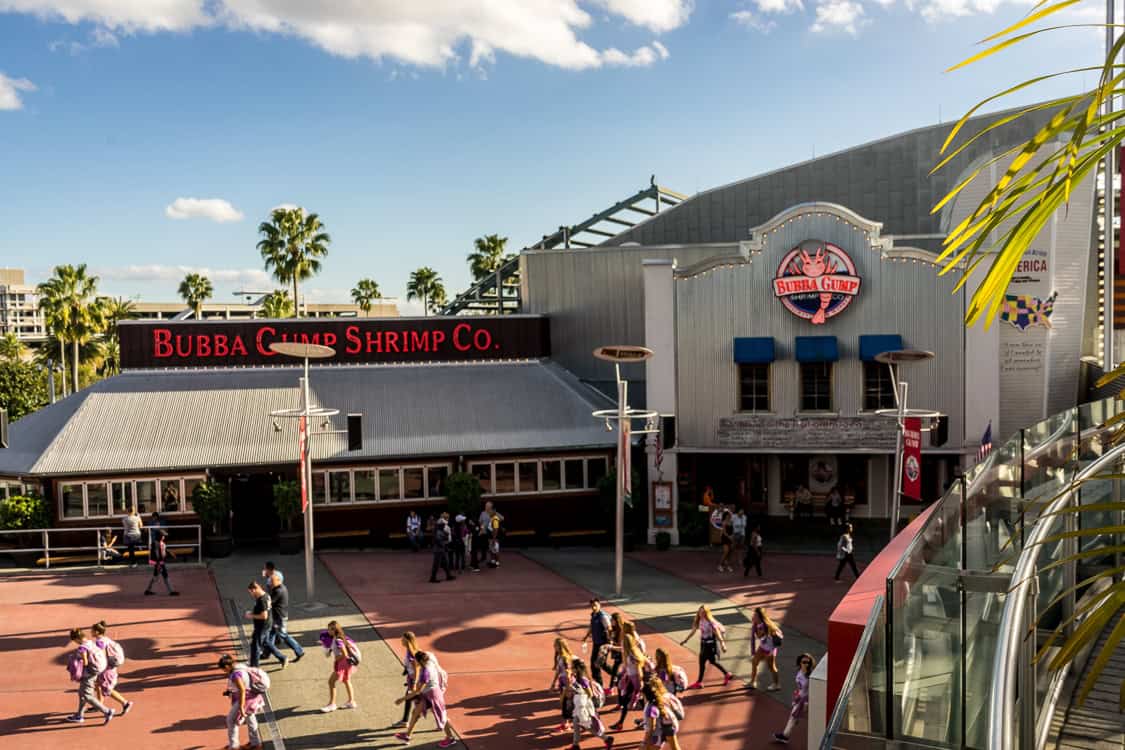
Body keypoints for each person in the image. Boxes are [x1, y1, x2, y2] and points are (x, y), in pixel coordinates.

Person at [395, 650, 459, 747]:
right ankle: (407, 735)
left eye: (415, 660)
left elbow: (418, 691)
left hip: (433, 696)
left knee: (442, 717)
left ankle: (451, 738)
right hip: (429, 694)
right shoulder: (429, 662)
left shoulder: (425, 672)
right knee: (415, 712)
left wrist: (402, 699)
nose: (414, 661)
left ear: (419, 661)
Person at [66, 627, 114, 725]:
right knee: (82, 693)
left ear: (76, 639)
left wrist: (76, 662)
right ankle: (79, 715)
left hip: (89, 673)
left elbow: (86, 662)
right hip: (97, 670)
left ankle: (106, 711)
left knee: (87, 695)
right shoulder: (90, 642)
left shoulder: (82, 648)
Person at [217, 654, 265, 750]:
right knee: (251, 719)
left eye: (223, 669)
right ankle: (255, 744)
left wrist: (241, 707)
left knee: (231, 720)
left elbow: (242, 690)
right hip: (253, 697)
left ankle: (234, 746)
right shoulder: (242, 668)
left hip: (245, 700)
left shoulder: (235, 675)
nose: (223, 671)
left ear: (226, 666)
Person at [680, 605, 731, 689]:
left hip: (709, 645)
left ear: (707, 613)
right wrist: (685, 640)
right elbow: (693, 631)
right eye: (700, 612)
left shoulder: (710, 622)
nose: (701, 614)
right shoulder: (699, 620)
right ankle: (727, 674)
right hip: (703, 644)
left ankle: (699, 682)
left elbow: (717, 632)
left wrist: (722, 644)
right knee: (711, 661)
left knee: (702, 661)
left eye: (703, 612)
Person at [569, 658, 614, 749]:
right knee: (578, 724)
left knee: (586, 725)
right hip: (579, 706)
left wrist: (581, 697)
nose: (571, 668)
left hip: (584, 707)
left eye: (572, 667)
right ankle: (576, 745)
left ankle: (606, 738)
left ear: (577, 668)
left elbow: (590, 694)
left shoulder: (582, 679)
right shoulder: (577, 677)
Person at [91, 621, 133, 716]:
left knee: (107, 689)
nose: (91, 632)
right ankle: (99, 705)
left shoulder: (100, 642)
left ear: (97, 632)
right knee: (98, 685)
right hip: (109, 667)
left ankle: (125, 703)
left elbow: (102, 656)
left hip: (106, 669)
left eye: (92, 630)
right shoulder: (106, 639)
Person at [773, 654, 816, 744]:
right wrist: (797, 696)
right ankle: (785, 735)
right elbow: (800, 687)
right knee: (793, 717)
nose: (806, 664)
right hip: (800, 698)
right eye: (804, 662)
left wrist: (806, 702)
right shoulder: (800, 672)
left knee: (797, 717)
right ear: (800, 663)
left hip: (806, 700)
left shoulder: (810, 676)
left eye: (808, 662)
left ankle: (785, 736)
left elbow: (812, 690)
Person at [608, 633, 646, 730]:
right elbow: (621, 649)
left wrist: (640, 683)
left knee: (630, 701)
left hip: (635, 681)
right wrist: (610, 647)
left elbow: (638, 669)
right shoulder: (628, 651)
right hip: (630, 679)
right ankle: (622, 723)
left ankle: (621, 723)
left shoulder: (633, 655)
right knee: (639, 701)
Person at [244, 581, 286, 668]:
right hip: (267, 625)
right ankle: (282, 657)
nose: (251, 594)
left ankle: (254, 666)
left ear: (255, 589)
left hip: (262, 626)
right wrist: (253, 612)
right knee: (266, 643)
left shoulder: (262, 600)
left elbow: (264, 616)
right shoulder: (266, 595)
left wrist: (251, 615)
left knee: (255, 645)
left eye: (251, 592)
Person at [321, 620, 358, 712]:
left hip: (343, 664)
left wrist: (337, 658)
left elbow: (344, 653)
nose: (328, 631)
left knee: (331, 682)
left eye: (330, 630)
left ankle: (332, 704)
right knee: (346, 681)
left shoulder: (337, 640)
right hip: (347, 664)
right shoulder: (341, 637)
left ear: (334, 630)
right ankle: (351, 702)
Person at [267, 572, 303, 662]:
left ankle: (299, 650)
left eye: (272, 580)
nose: (270, 582)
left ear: (279, 580)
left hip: (279, 618)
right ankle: (266, 653)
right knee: (271, 635)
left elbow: (269, 603)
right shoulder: (280, 588)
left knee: (283, 634)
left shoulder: (278, 591)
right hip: (278, 617)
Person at [641, 675, 684, 750]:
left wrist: (645, 742)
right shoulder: (668, 695)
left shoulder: (651, 706)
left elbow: (652, 727)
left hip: (661, 729)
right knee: (675, 747)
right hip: (671, 724)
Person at [581, 598, 613, 687]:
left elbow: (609, 628)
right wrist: (586, 636)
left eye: (595, 605)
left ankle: (614, 677)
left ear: (599, 605)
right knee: (595, 664)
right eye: (592, 606)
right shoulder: (593, 615)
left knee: (599, 664)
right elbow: (591, 626)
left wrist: (609, 640)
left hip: (603, 644)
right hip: (596, 643)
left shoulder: (603, 616)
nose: (594, 607)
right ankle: (600, 683)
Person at [750, 607, 782, 691]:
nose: (753, 616)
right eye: (754, 614)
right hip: (762, 648)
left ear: (760, 617)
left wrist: (771, 652)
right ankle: (753, 682)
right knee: (754, 662)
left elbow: (775, 637)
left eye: (755, 615)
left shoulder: (768, 626)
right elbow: (761, 637)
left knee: (771, 667)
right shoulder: (756, 625)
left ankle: (776, 684)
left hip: (770, 650)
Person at [394, 632, 421, 728]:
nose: (401, 640)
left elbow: (417, 669)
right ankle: (405, 720)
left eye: (403, 638)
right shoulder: (411, 650)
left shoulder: (411, 654)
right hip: (411, 679)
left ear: (407, 640)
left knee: (420, 702)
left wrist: (414, 683)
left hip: (414, 681)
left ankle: (406, 721)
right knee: (409, 700)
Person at [143, 529, 179, 596]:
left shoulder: (162, 543)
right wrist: (158, 564)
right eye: (163, 536)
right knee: (165, 575)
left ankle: (148, 590)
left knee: (155, 577)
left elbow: (164, 549)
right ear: (159, 536)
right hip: (159, 562)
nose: (164, 537)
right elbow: (157, 554)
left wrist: (170, 553)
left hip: (160, 561)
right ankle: (171, 591)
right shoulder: (156, 543)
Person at [550, 637, 576, 731]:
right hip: (563, 683)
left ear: (560, 646)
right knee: (565, 704)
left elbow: (568, 672)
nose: (554, 646)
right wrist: (553, 683)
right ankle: (566, 723)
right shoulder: (560, 656)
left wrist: (568, 687)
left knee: (566, 704)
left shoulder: (565, 658)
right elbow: (558, 671)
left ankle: (567, 724)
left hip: (567, 684)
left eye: (555, 645)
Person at [429, 513, 456, 583]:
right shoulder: (438, 531)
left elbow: (445, 537)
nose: (444, 526)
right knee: (436, 565)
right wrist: (445, 542)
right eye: (443, 525)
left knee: (445, 563)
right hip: (438, 550)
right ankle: (433, 578)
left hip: (441, 549)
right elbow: (439, 541)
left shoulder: (440, 530)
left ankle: (448, 575)